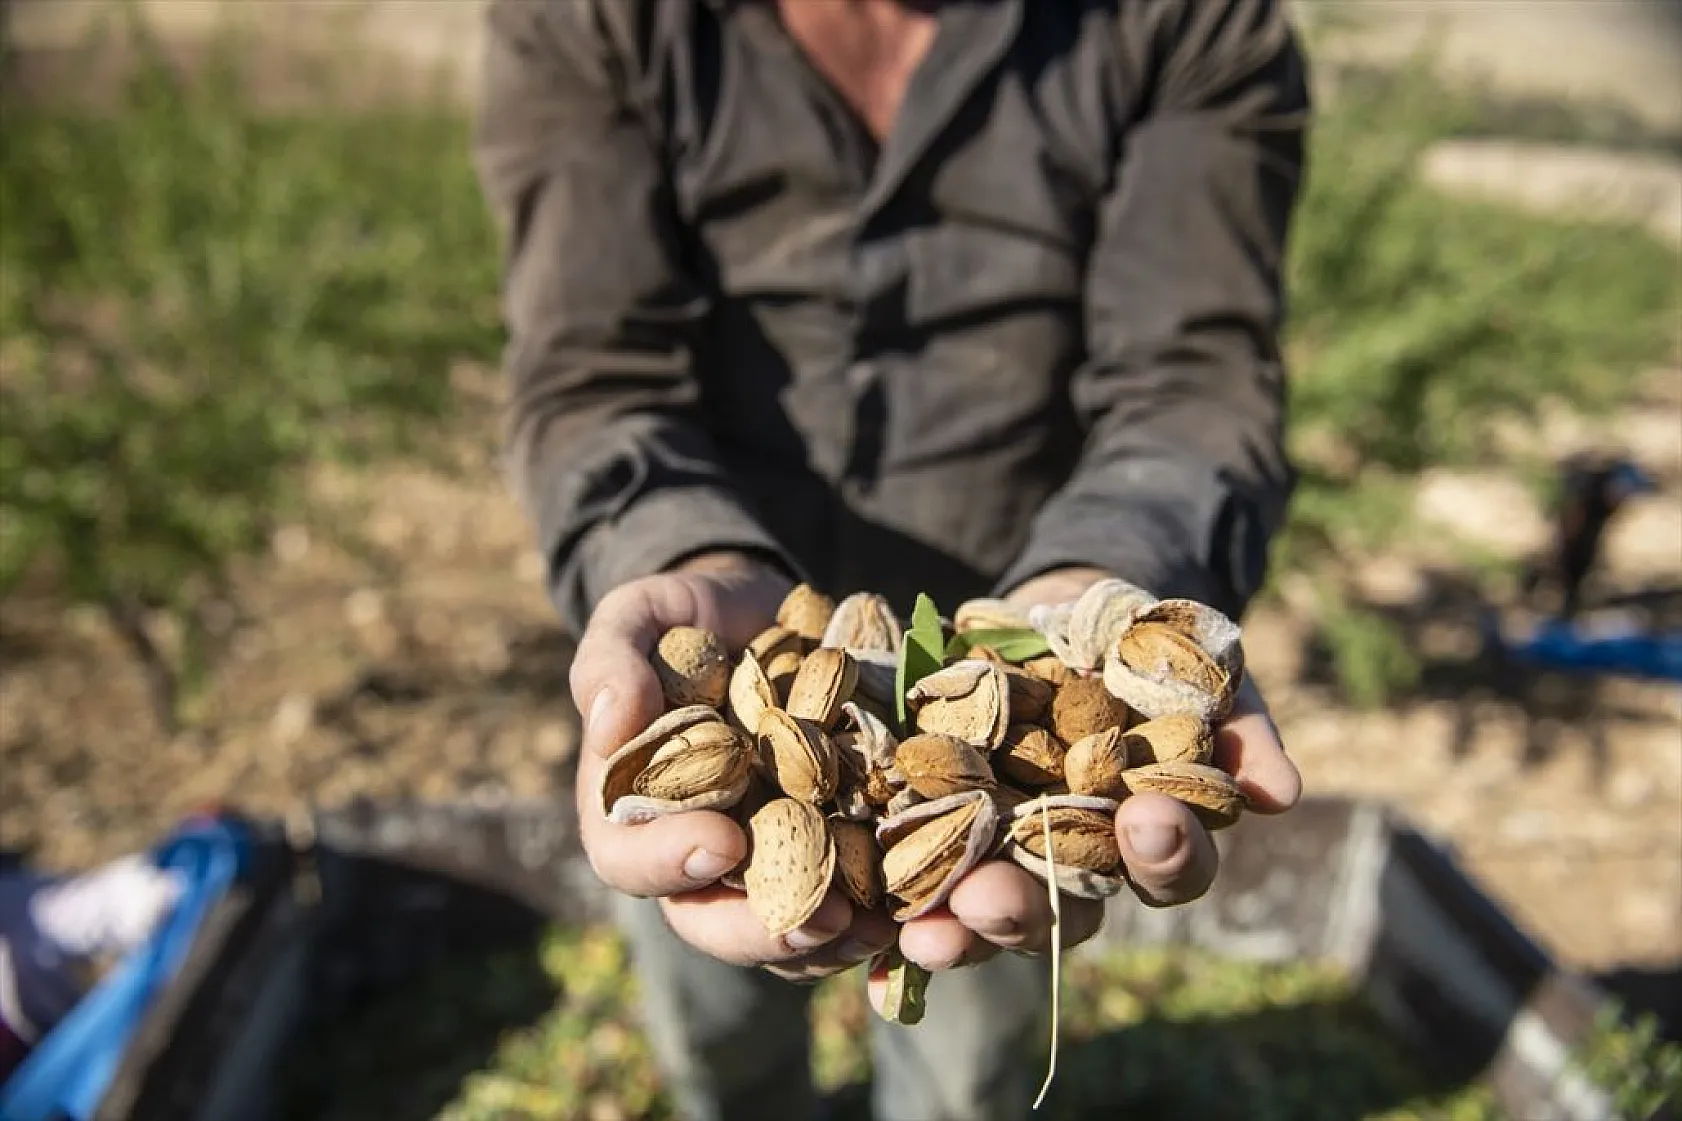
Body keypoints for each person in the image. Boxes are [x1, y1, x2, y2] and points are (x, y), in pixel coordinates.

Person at [472, 1, 1310, 1118]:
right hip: (724, 668)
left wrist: (1100, 594)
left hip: (1010, 660)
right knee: (715, 1032)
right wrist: (681, 553)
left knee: (967, 1070)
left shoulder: (1192, 25)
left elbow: (1192, 386)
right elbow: (594, 378)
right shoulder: (590, 19)